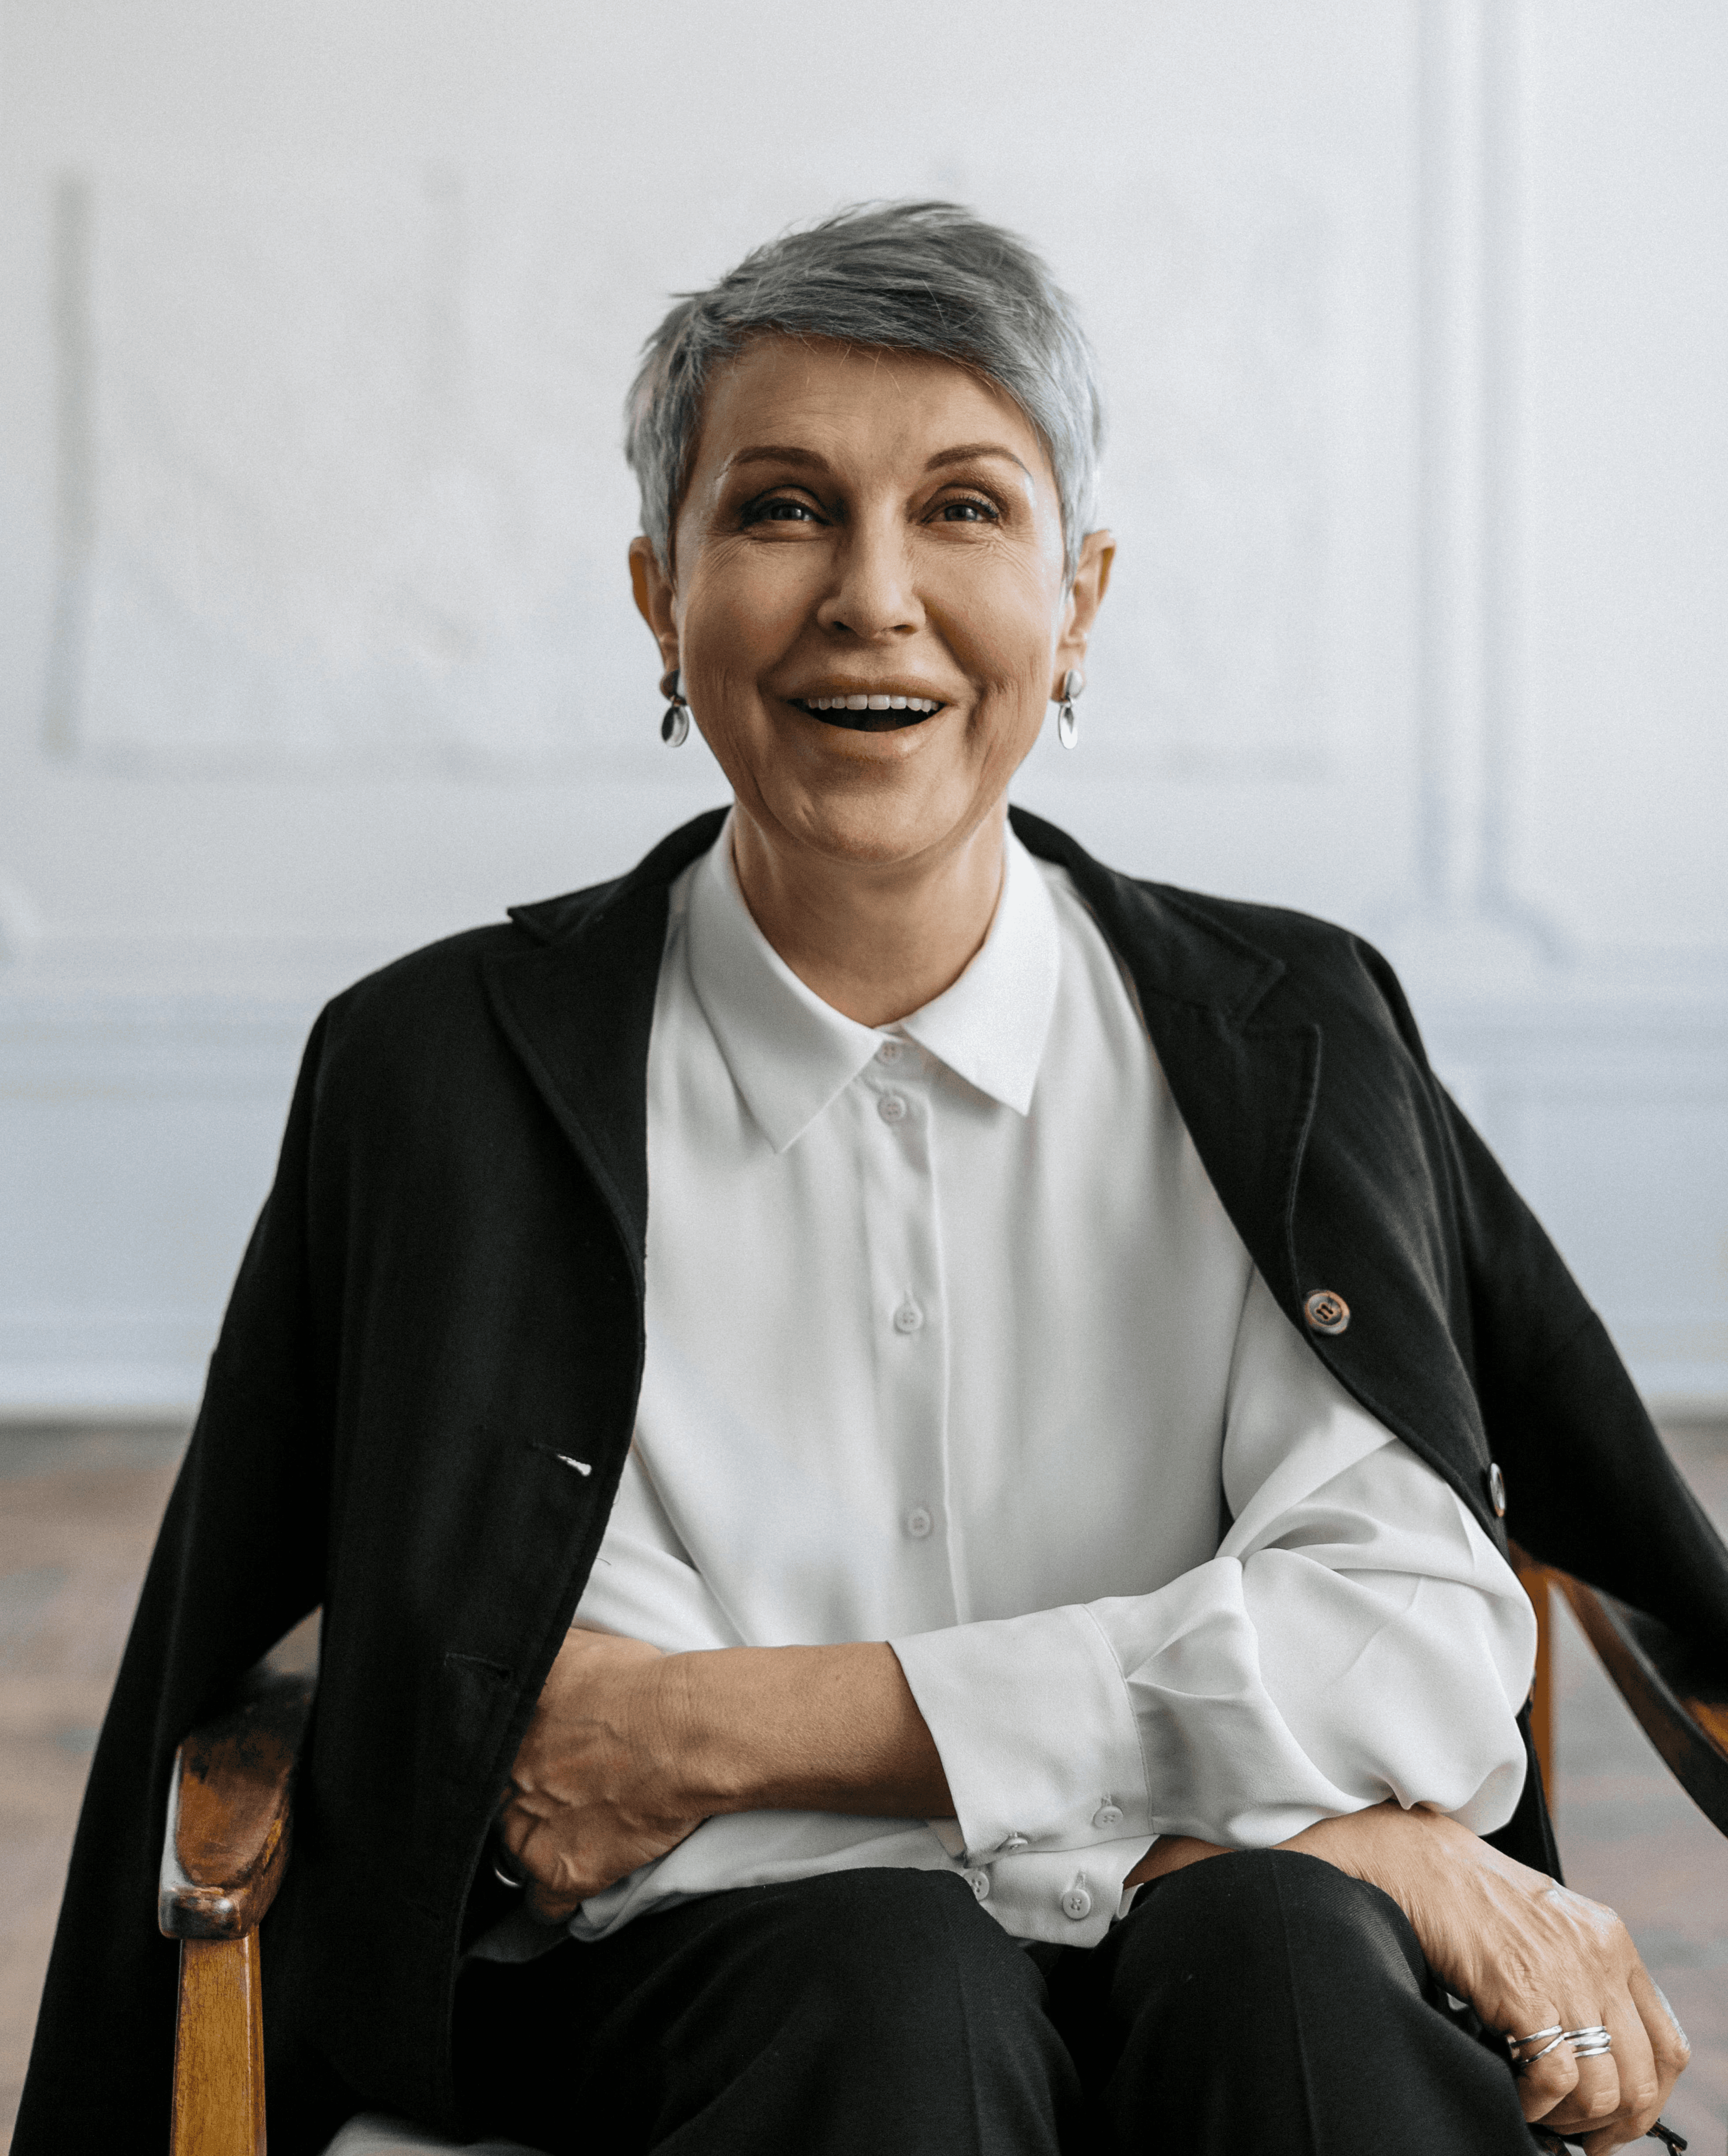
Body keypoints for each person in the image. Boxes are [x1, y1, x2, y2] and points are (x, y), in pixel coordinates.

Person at [18, 202, 1721, 2156]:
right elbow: (571, 1793)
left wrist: (747, 1728)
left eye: (966, 509)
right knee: (896, 1982)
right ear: (658, 593)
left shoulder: (1289, 1032)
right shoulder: (440, 1079)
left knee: (1275, 1957)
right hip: (720, 2012)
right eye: (783, 509)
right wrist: (1310, 1816)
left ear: (1080, 599)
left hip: (1253, 1966)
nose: (873, 597)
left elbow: (1415, 1644)